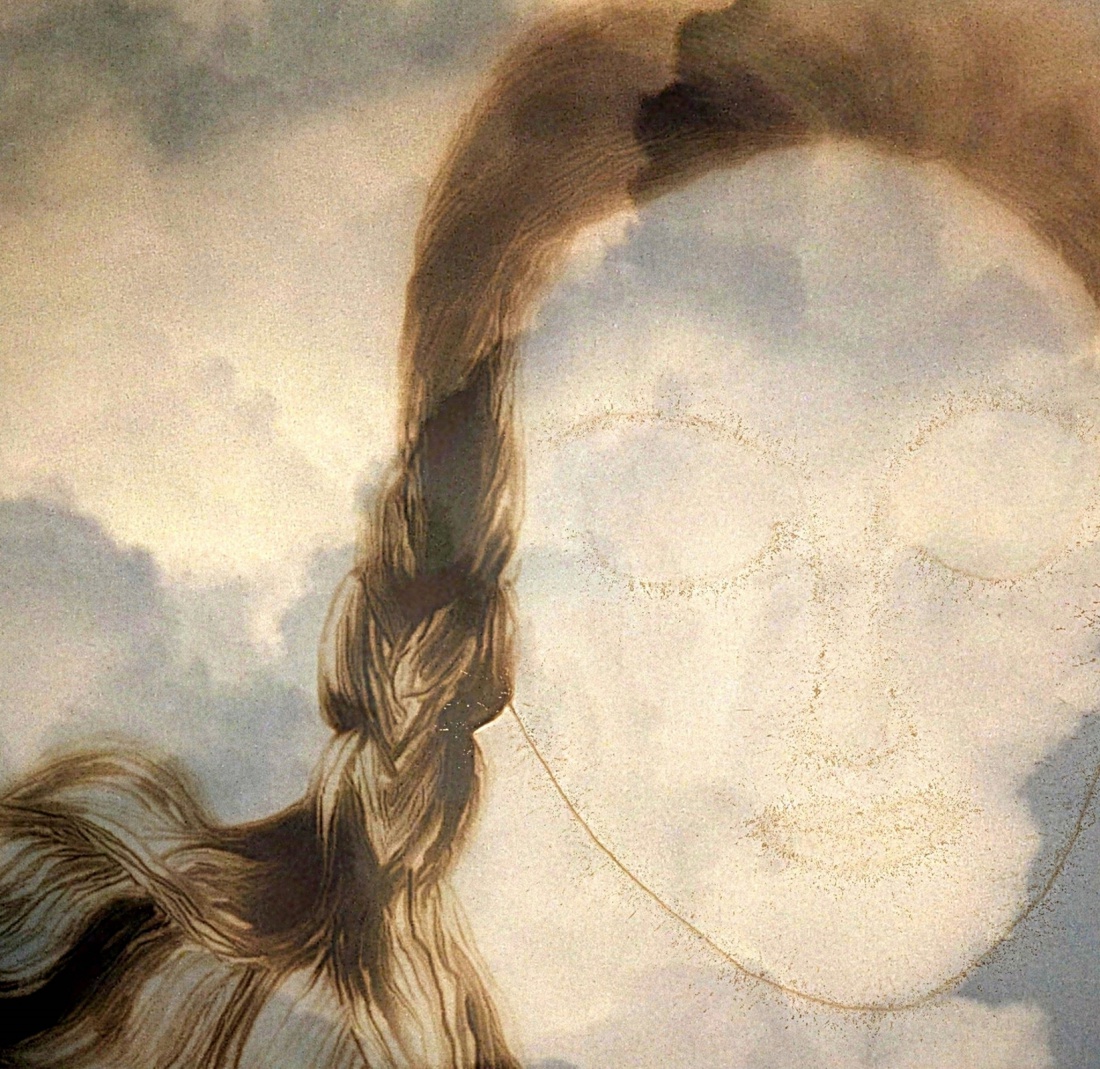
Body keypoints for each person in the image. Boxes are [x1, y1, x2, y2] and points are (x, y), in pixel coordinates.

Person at [4, 0, 1100, 1065]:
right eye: (686, 516)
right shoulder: (114, 1006)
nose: (854, 707)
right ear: (474, 576)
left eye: (1001, 499)